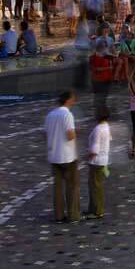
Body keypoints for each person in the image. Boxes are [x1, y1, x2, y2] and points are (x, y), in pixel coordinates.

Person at [45, 91, 79, 223]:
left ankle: (58, 215)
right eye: (73, 99)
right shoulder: (67, 115)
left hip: (53, 155)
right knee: (71, 186)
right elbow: (70, 135)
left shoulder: (50, 115)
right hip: (67, 156)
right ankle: (73, 215)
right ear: (68, 100)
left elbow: (46, 134)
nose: (74, 101)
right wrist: (77, 133)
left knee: (57, 188)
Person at [86, 107, 111, 219]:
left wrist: (87, 158)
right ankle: (95, 209)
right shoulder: (106, 127)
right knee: (98, 186)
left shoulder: (98, 129)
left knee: (95, 187)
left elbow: (95, 148)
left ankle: (97, 210)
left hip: (96, 162)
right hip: (104, 160)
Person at [89, 40, 114, 116]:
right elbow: (95, 69)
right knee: (100, 97)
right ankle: (100, 113)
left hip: (106, 79)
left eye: (106, 46)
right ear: (99, 48)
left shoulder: (107, 56)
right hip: (99, 80)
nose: (105, 48)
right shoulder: (94, 57)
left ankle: (101, 112)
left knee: (102, 97)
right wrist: (108, 68)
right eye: (104, 47)